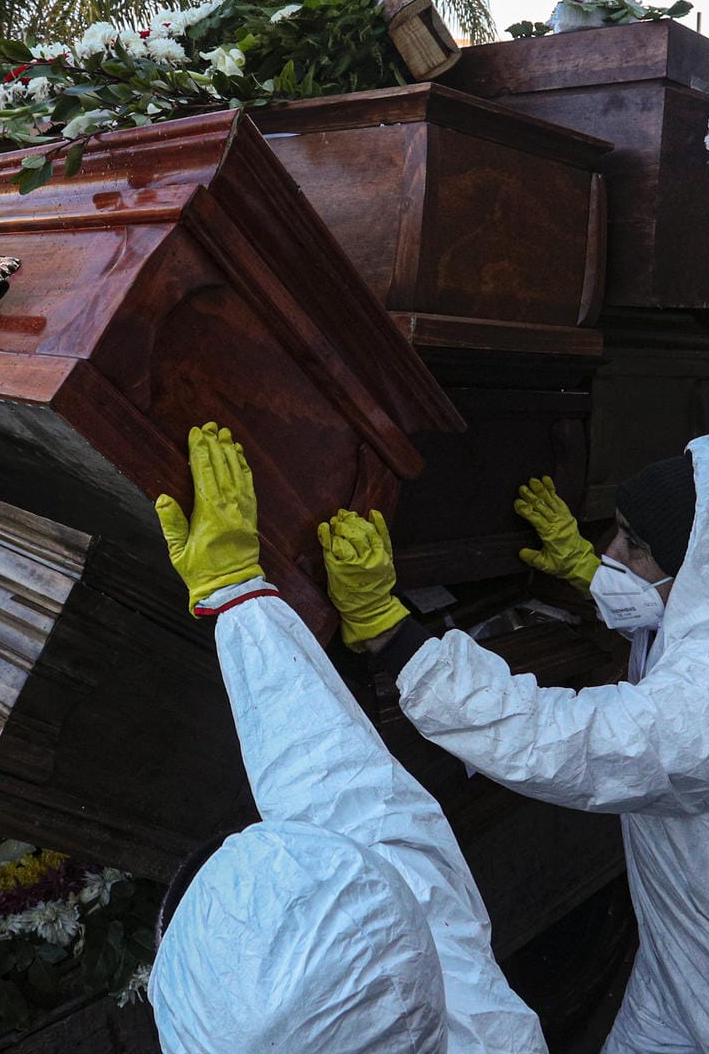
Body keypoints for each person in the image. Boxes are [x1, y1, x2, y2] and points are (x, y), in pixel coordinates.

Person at [325, 433, 709, 1053]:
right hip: (689, 962)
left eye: (634, 545)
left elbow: (557, 739)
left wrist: (394, 637)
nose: (609, 550)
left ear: (701, 565)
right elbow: (678, 618)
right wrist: (587, 572)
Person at [145, 422, 545, 1053]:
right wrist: (247, 598)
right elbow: (354, 805)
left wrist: (237, 601)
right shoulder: (481, 1026)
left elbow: (352, 812)